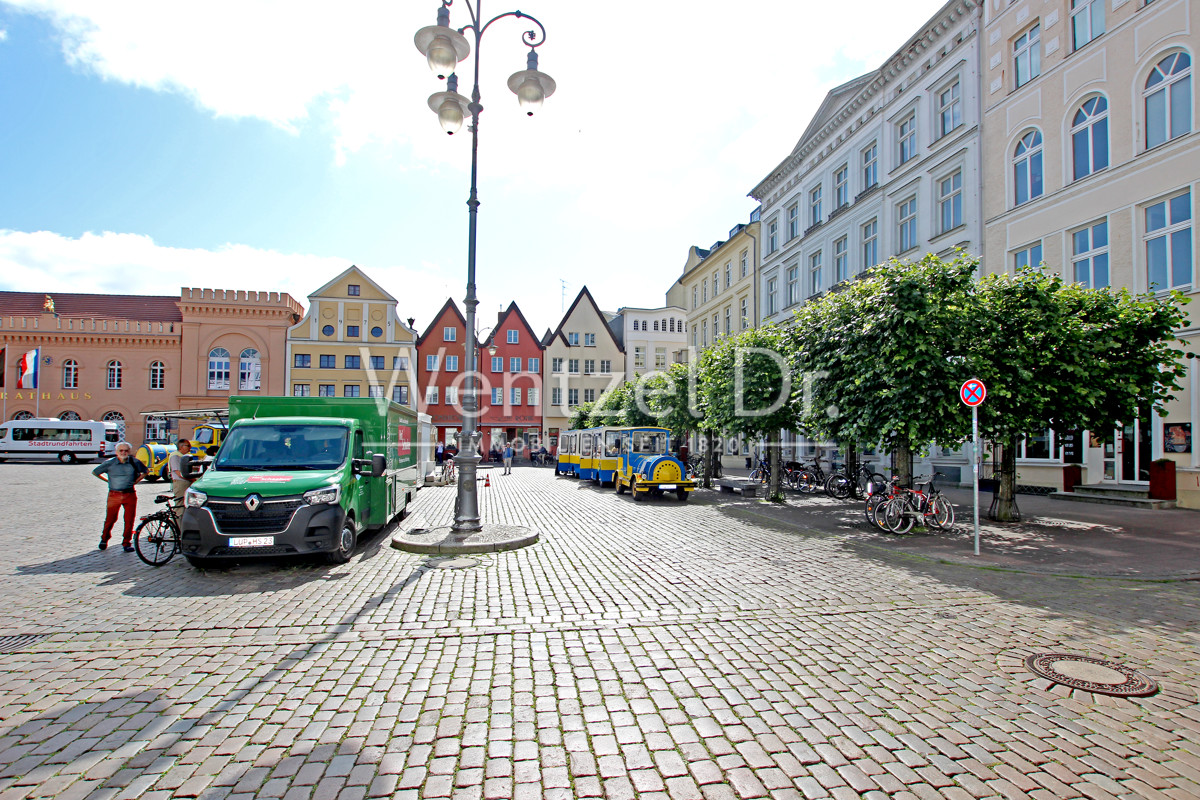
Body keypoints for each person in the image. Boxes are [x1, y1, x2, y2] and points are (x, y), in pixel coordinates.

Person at [92, 441, 148, 552]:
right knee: (110, 519)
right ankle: (104, 539)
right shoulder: (110, 463)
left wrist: (135, 481)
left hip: (130, 494)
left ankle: (126, 543)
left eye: (126, 450)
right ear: (116, 452)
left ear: (129, 451)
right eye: (121, 450)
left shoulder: (134, 462)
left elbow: (145, 471)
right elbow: (95, 472)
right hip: (114, 494)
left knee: (129, 520)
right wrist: (108, 481)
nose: (123, 452)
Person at [168, 439, 197, 517]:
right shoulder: (175, 456)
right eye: (188, 446)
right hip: (181, 483)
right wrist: (193, 479)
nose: (190, 448)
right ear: (181, 446)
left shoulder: (183, 456)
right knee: (180, 506)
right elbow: (179, 473)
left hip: (186, 482)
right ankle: (178, 526)